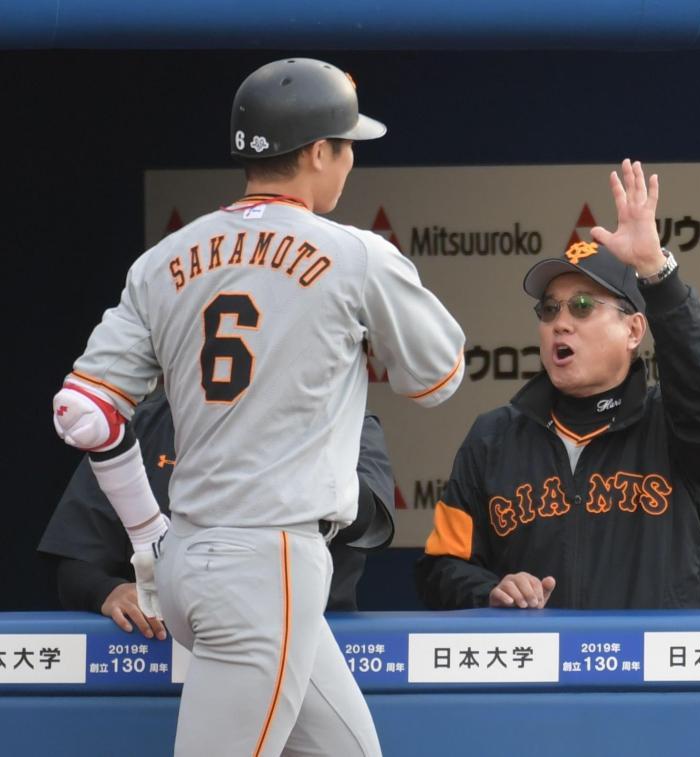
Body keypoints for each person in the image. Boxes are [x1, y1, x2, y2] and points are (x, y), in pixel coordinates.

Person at [51, 58, 464, 757]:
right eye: (346, 146)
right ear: (317, 151)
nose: (350, 160)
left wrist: (147, 533)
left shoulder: (163, 259)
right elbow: (439, 378)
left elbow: (82, 411)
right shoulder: (356, 254)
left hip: (189, 557)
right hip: (266, 565)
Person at [415, 159, 700, 610]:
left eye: (583, 306)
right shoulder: (493, 438)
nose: (560, 323)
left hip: (649, 656)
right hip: (536, 656)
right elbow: (441, 567)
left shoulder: (671, 427)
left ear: (633, 330)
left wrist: (654, 270)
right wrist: (489, 590)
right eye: (549, 310)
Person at [40, 389, 396, 639]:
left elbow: (366, 521)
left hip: (307, 635)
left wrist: (291, 455)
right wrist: (109, 591)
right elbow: (75, 559)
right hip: (165, 641)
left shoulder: (340, 419)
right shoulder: (147, 422)